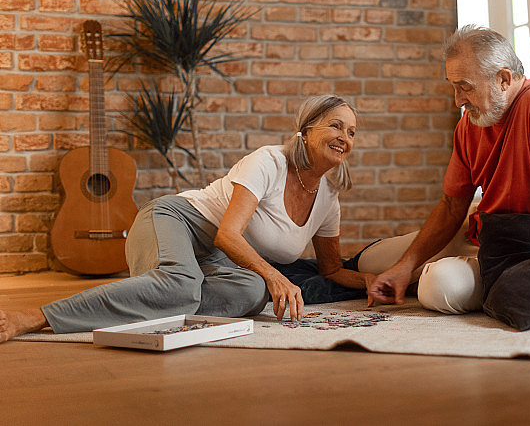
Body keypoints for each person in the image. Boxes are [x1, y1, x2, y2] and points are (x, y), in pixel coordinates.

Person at [0, 95, 374, 342]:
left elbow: (330, 270)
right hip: (176, 220)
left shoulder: (328, 200)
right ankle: (34, 317)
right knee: (182, 284)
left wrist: (373, 281)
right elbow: (227, 235)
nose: (345, 136)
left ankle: (154, 295)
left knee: (251, 293)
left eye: (352, 132)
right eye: (335, 125)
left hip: (215, 261)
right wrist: (275, 275)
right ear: (306, 132)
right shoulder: (270, 161)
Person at [366, 25, 530, 334]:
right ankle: (397, 273)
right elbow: (451, 206)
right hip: (484, 234)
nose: (457, 101)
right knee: (370, 264)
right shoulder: (469, 125)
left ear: (503, 79)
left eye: (465, 87)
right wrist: (404, 266)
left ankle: (433, 277)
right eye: (453, 87)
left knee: (439, 286)